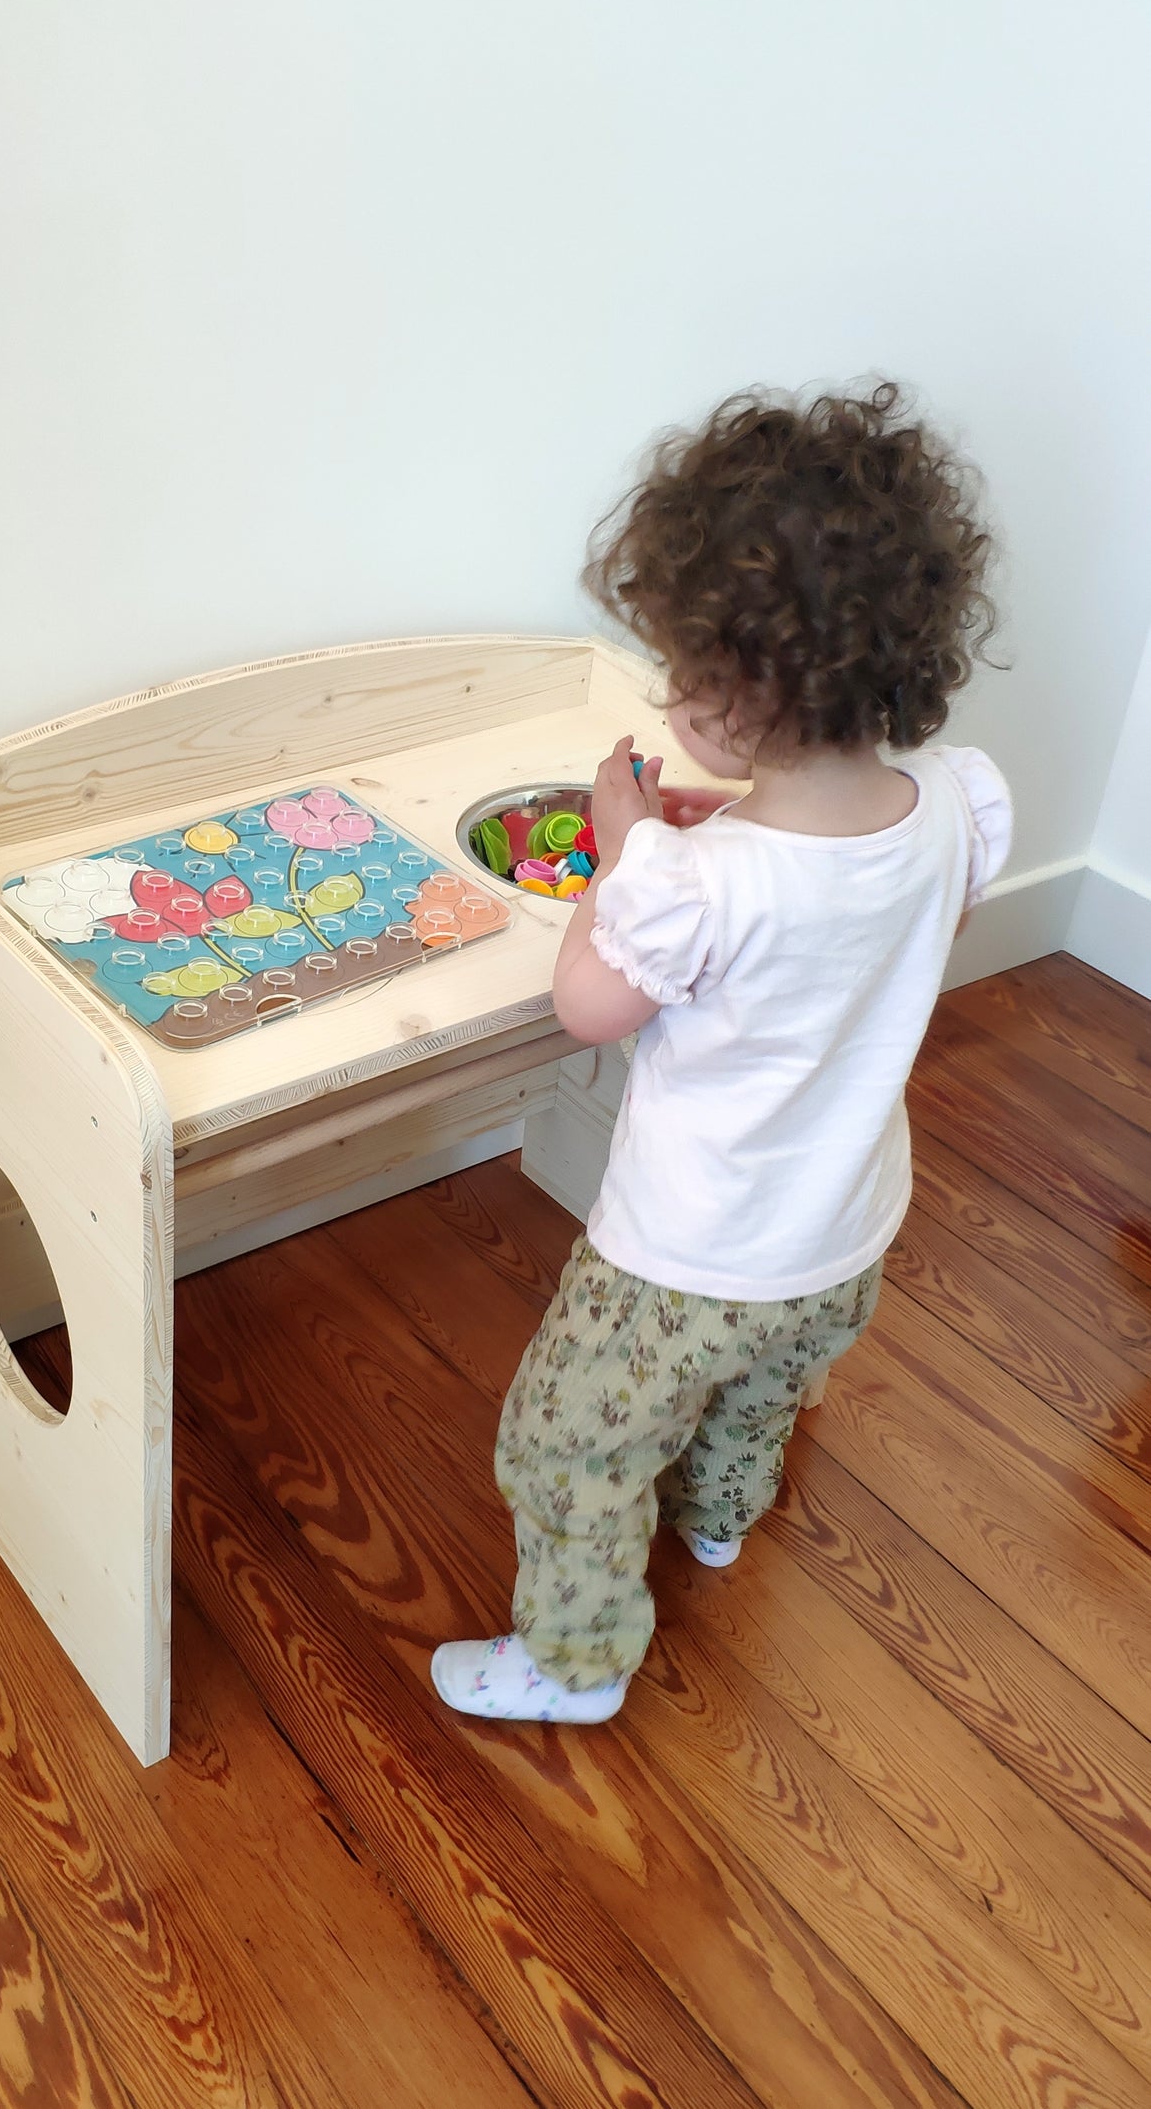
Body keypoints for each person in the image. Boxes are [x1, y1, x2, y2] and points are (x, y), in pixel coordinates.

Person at [432, 383, 1011, 1724]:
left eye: (686, 667)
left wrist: (628, 848)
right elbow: (858, 920)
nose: (669, 685)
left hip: (687, 1261)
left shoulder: (695, 885)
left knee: (566, 1443)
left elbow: (590, 1008)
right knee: (753, 1402)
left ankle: (572, 1664)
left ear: (744, 697)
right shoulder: (955, 806)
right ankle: (714, 1522)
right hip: (844, 1237)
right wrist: (728, 830)